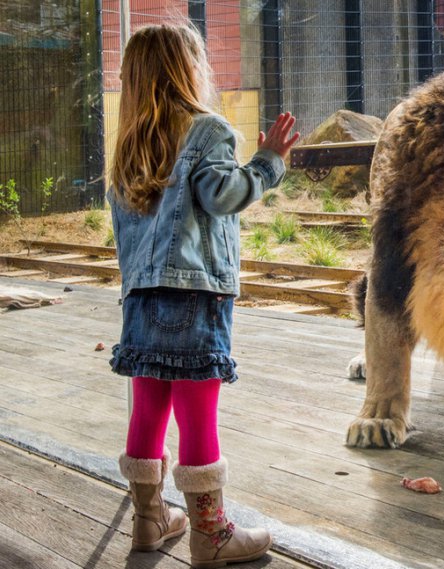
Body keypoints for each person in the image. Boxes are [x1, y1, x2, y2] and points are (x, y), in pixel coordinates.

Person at [108, 23, 299, 568]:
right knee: (198, 413)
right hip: (194, 299)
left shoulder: (128, 147)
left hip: (141, 300)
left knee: (148, 408)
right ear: (185, 70)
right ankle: (210, 535)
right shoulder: (207, 129)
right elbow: (222, 195)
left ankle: (149, 521)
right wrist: (267, 162)